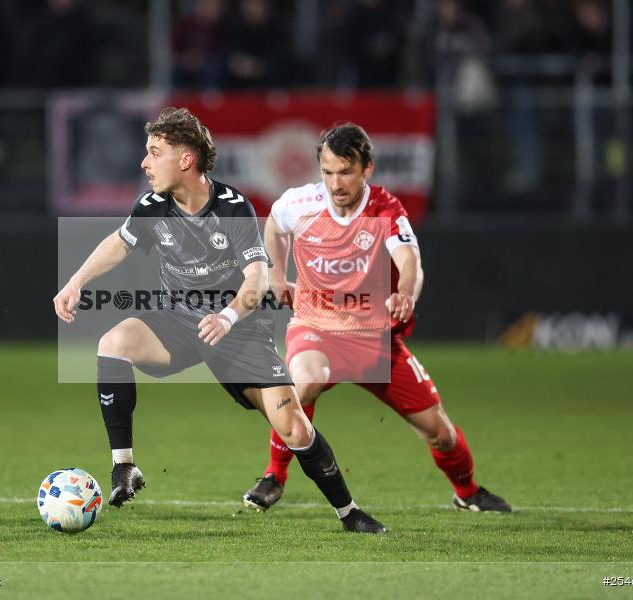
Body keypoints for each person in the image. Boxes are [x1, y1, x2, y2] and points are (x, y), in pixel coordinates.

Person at [53, 108, 385, 533]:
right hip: (177, 321)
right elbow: (120, 242)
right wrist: (76, 281)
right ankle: (124, 466)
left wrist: (227, 317)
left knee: (294, 428)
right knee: (113, 344)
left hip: (237, 331)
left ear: (185, 159)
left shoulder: (231, 207)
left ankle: (349, 513)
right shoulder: (152, 205)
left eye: (154, 152)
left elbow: (257, 279)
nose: (145, 162)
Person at [242, 123, 512, 514]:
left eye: (346, 171)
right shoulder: (299, 203)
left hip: (374, 340)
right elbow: (274, 226)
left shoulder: (385, 210)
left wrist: (406, 293)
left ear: (367, 169)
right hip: (316, 327)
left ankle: (467, 492)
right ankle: (274, 476)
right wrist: (276, 274)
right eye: (328, 172)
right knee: (305, 382)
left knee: (440, 433)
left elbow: (410, 261)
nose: (336, 183)